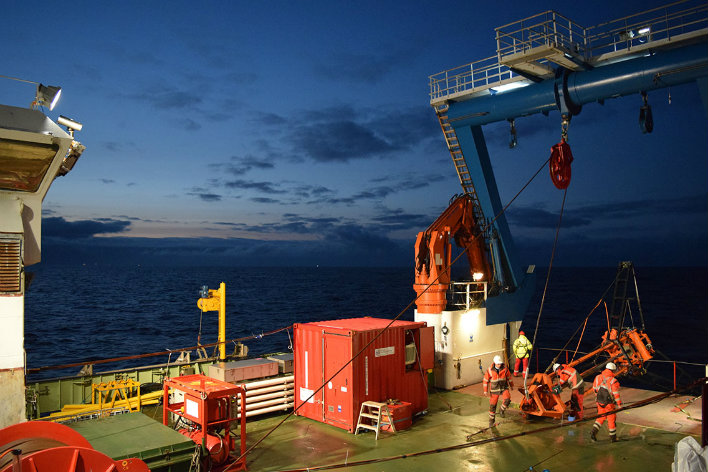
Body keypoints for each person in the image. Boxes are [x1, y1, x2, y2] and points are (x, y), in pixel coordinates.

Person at [591, 362, 622, 442]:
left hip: (599, 402)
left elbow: (594, 389)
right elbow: (616, 394)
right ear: (613, 371)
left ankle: (593, 432)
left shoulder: (598, 377)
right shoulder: (613, 381)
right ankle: (613, 437)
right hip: (609, 404)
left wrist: (598, 398)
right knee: (611, 419)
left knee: (600, 417)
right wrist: (619, 404)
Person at [483, 355, 514, 427]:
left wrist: (511, 385)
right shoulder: (489, 370)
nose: (499, 365)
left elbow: (509, 378)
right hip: (494, 390)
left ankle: (501, 410)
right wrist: (485, 390)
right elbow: (485, 380)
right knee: (493, 406)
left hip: (504, 388)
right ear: (495, 363)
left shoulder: (505, 369)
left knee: (507, 399)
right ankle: (491, 422)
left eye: (500, 364)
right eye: (498, 364)